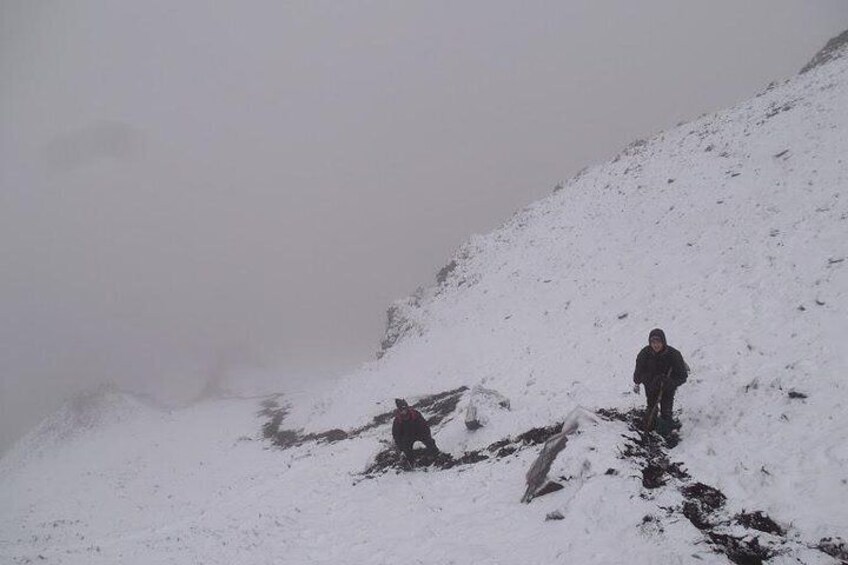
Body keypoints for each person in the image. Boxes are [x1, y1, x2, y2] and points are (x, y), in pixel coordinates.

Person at [633, 328, 688, 431]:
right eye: (653, 342)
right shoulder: (644, 354)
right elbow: (638, 374)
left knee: (666, 412)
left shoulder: (674, 355)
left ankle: (666, 432)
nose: (656, 345)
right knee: (651, 408)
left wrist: (670, 382)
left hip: (667, 387)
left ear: (663, 341)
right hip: (651, 385)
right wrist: (648, 379)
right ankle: (649, 428)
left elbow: (682, 376)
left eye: (658, 342)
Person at [392, 398, 438, 465]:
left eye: (405, 408)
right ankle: (412, 463)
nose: (404, 411)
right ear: (399, 410)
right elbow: (396, 435)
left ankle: (436, 456)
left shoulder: (416, 414)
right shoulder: (397, 420)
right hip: (407, 438)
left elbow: (425, 426)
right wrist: (401, 447)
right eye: (402, 409)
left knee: (430, 442)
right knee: (406, 449)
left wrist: (427, 436)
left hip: (419, 434)